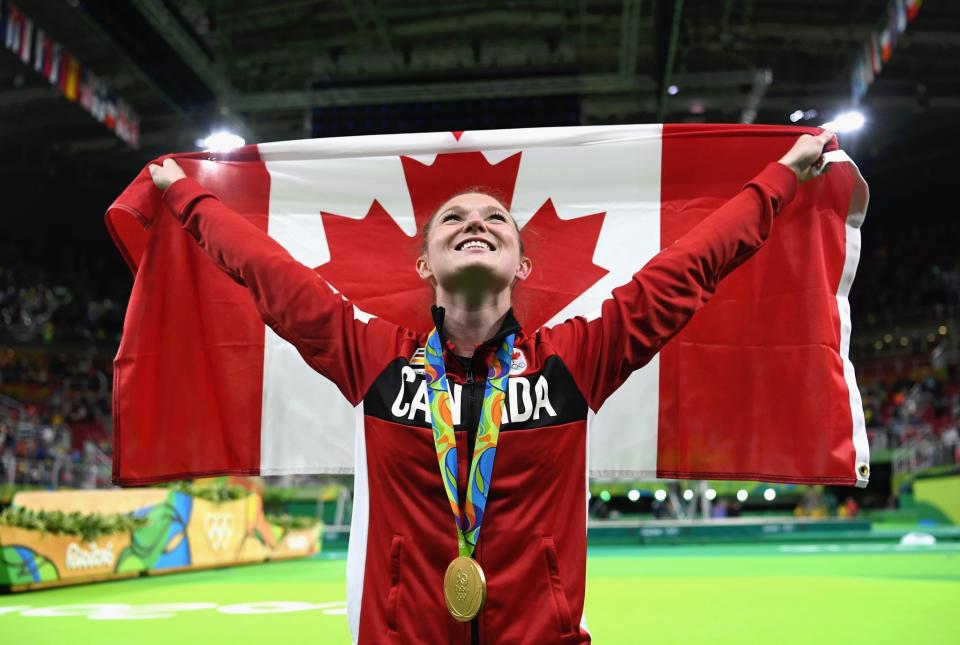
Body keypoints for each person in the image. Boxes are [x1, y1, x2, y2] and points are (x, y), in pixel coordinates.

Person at [148, 130, 833, 644]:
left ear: (522, 261)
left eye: (494, 217)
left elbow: (689, 268)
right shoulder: (375, 359)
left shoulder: (573, 361)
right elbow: (268, 272)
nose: (475, 220)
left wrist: (780, 177)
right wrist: (185, 193)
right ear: (424, 262)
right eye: (453, 217)